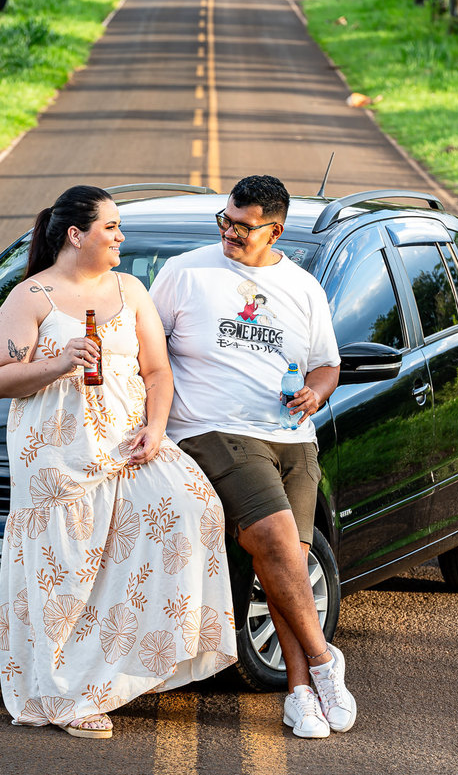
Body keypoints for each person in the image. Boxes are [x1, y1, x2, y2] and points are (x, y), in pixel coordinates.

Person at [0, 185, 237, 740]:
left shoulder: (130, 289)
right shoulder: (31, 296)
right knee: (68, 571)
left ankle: (125, 665)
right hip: (55, 454)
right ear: (76, 235)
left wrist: (156, 426)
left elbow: (157, 372)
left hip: (128, 443)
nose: (121, 237)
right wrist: (59, 363)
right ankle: (69, 694)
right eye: (111, 228)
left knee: (192, 508)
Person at [149, 175, 356, 739]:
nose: (230, 233)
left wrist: (317, 392)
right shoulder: (185, 272)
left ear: (276, 230)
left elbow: (325, 363)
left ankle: (298, 695)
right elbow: (147, 351)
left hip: (292, 438)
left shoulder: (303, 288)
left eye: (243, 226)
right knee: (273, 539)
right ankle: (324, 661)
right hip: (212, 430)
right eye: (225, 220)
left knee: (283, 565)